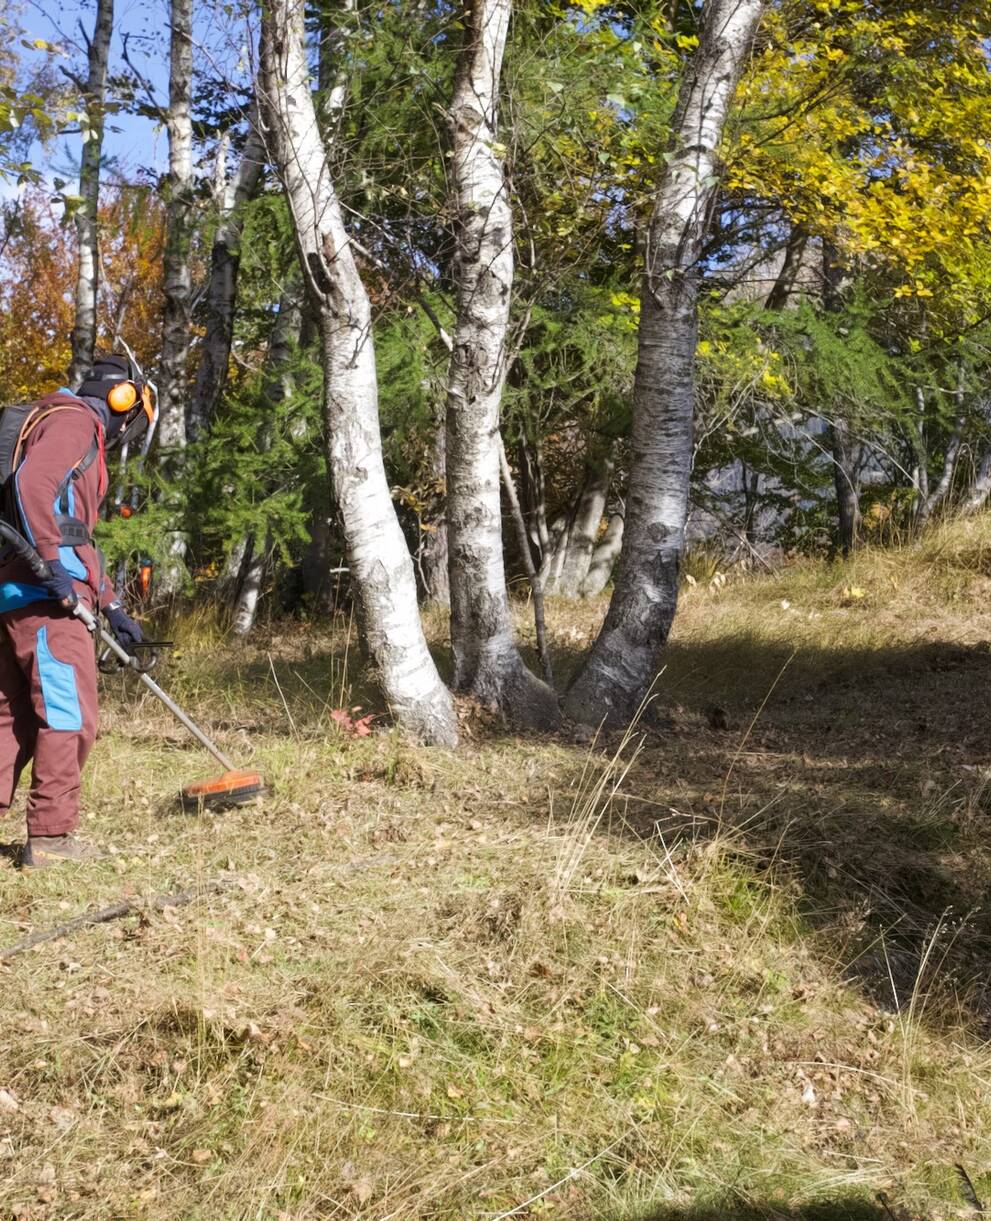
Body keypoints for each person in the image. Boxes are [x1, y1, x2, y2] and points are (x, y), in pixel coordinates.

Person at [0, 354, 154, 868]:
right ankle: (50, 837)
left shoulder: (49, 421)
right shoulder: (74, 423)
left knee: (12, 718)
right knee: (69, 714)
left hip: (18, 595)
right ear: (123, 402)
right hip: (46, 601)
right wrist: (50, 568)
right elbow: (33, 489)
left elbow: (74, 536)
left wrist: (112, 607)